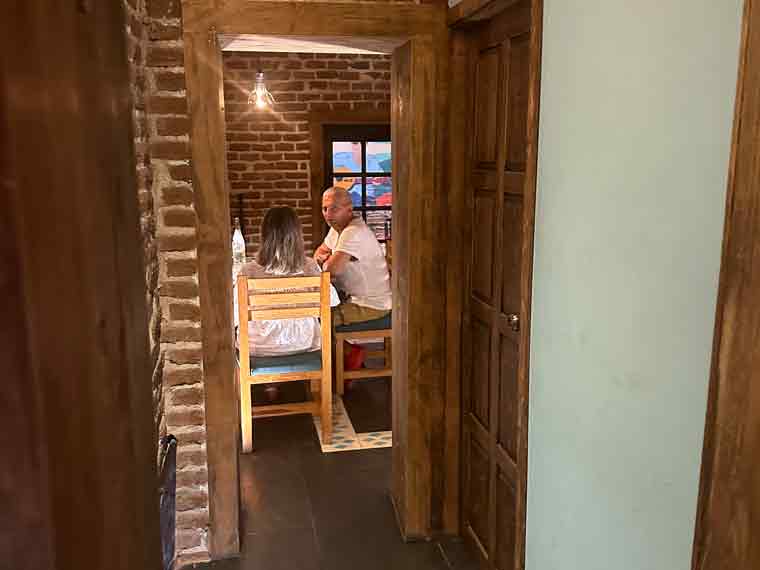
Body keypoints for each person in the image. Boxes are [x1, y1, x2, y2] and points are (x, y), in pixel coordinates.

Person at [235, 206, 336, 400]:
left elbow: (234, 314)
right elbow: (332, 301)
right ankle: (305, 391)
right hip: (303, 344)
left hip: (258, 348)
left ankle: (267, 385)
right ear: (297, 235)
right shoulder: (310, 267)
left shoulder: (248, 271)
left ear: (264, 234)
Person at [314, 186, 391, 327]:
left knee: (315, 321)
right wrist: (330, 258)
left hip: (371, 305)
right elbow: (318, 253)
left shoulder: (353, 231)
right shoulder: (337, 228)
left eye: (334, 209)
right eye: (324, 209)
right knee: (313, 313)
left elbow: (331, 270)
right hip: (350, 299)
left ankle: (337, 342)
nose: (328, 214)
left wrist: (327, 261)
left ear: (349, 209)